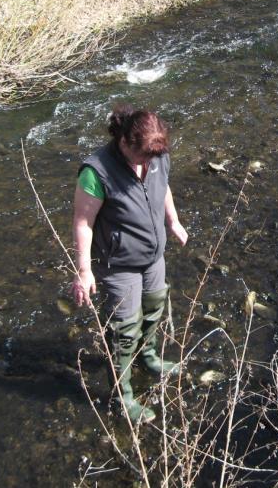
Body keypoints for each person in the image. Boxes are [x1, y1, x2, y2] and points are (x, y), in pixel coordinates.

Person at [71, 105, 188, 423]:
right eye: (142, 158)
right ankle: (123, 399)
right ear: (123, 142)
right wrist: (84, 271)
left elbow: (162, 188)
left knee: (153, 310)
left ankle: (147, 357)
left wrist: (173, 221)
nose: (149, 163)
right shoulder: (96, 172)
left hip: (153, 257)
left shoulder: (156, 154)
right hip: (118, 264)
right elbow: (83, 222)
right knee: (123, 332)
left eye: (154, 158)